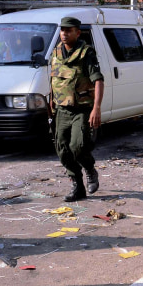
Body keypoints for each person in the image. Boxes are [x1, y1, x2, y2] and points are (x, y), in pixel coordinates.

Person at [50, 17, 104, 202]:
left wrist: (96, 107)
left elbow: (98, 80)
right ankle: (77, 187)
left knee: (77, 146)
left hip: (82, 109)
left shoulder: (86, 52)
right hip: (61, 109)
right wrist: (51, 100)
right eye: (62, 30)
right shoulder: (56, 52)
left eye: (69, 30)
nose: (64, 33)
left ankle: (89, 169)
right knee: (62, 150)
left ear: (77, 32)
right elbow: (54, 79)